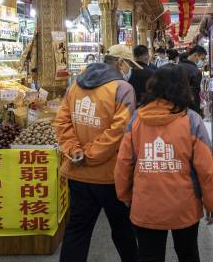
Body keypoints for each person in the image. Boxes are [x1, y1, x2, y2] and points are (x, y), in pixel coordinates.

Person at [115, 64, 213, 262]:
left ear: (153, 86)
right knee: (188, 253)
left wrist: (124, 194)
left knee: (149, 255)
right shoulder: (191, 120)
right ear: (183, 88)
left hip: (146, 203)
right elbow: (207, 168)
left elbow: (124, 162)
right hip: (185, 204)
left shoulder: (137, 119)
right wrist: (212, 202)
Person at [55, 44, 141, 262]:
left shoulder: (75, 85)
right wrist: (91, 155)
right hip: (111, 176)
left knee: (77, 231)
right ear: (121, 63)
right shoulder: (122, 89)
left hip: (78, 173)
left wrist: (76, 152)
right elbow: (118, 131)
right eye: (129, 64)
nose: (129, 69)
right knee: (123, 230)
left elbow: (62, 121)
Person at [178, 45, 207, 114]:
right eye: (202, 59)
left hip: (177, 107)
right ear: (195, 55)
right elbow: (194, 95)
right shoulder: (196, 72)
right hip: (190, 109)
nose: (203, 62)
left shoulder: (177, 67)